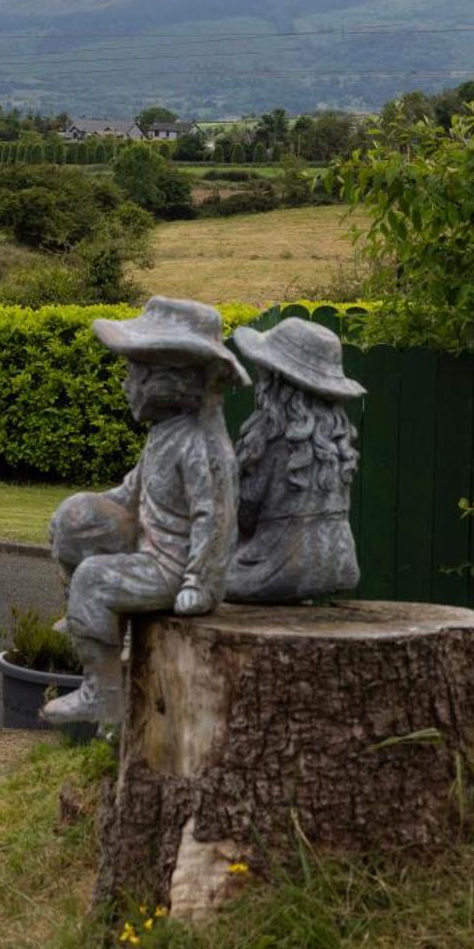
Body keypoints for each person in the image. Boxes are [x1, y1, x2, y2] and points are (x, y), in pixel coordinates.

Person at [41, 297, 247, 725]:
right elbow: (132, 493)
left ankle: (102, 693)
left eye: (135, 375)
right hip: (147, 546)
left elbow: (217, 520)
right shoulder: (165, 434)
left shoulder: (201, 444)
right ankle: (89, 621)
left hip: (171, 568)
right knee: (74, 515)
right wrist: (77, 517)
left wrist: (199, 583)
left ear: (166, 382)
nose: (126, 385)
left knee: (93, 580)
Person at [226, 318, 365, 602]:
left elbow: (242, 513)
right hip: (339, 561)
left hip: (278, 567)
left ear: (277, 381)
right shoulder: (336, 442)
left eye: (263, 373)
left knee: (193, 577)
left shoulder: (270, 438)